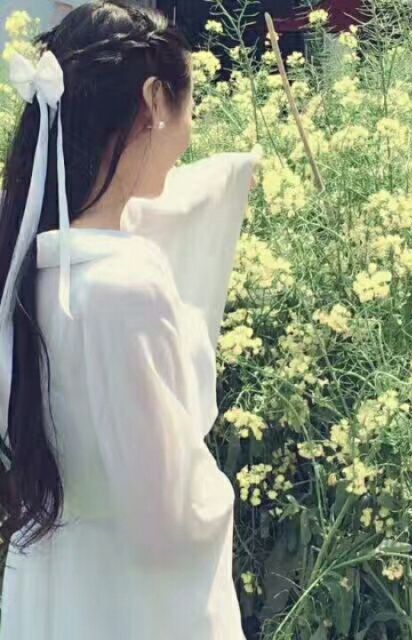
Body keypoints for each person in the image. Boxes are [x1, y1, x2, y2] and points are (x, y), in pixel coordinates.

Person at [0, 2, 261, 638]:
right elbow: (169, 521)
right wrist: (213, 497)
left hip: (52, 570)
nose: (192, 130)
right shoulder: (126, 289)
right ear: (154, 101)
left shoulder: (31, 264)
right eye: (191, 105)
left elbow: (158, 206)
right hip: (126, 601)